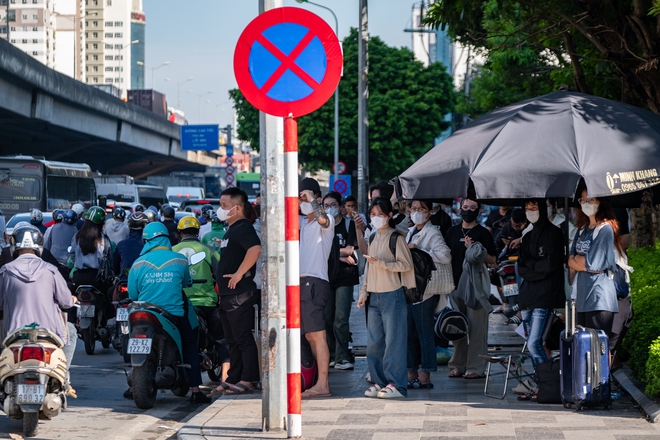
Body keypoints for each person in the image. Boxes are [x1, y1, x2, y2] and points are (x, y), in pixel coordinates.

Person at [128, 222, 211, 404]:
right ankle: (196, 391)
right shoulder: (179, 260)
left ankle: (132, 383)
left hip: (143, 311)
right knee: (190, 345)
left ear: (147, 240)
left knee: (128, 339)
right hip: (173, 314)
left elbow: (133, 294)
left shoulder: (138, 263)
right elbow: (186, 283)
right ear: (166, 238)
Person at [0, 225, 77, 372]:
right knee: (72, 331)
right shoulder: (51, 270)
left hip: (13, 335)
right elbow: (66, 302)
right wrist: (72, 299)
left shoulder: (6, 271)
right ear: (39, 247)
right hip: (48, 334)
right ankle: (62, 374)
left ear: (14, 247)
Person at [357, 197, 413, 398]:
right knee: (374, 343)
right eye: (373, 214)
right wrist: (363, 293)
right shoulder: (371, 238)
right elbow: (368, 268)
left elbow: (406, 265)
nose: (376, 218)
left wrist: (383, 264)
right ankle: (379, 381)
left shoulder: (396, 238)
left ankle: (397, 384)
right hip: (374, 296)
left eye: (381, 214)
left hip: (393, 294)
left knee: (394, 342)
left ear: (390, 215)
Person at [213, 187, 261, 395]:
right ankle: (234, 377)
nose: (220, 210)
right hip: (227, 295)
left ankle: (248, 379)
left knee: (242, 338)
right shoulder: (231, 230)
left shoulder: (243, 227)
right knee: (231, 339)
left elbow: (255, 249)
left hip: (239, 294)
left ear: (237, 208)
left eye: (224, 206)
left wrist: (239, 273)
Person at [444, 197, 497, 379]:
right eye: (465, 207)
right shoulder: (451, 231)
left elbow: (493, 260)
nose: (468, 210)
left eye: (472, 207)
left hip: (476, 287)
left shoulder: (483, 233)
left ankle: (475, 367)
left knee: (477, 329)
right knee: (457, 327)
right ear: (460, 209)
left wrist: (475, 249)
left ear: (479, 211)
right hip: (454, 285)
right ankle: (457, 364)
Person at [173, 216, 229, 383]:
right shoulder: (208, 250)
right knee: (221, 339)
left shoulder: (172, 250)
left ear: (180, 233)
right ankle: (226, 378)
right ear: (197, 232)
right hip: (207, 303)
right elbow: (220, 273)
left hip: (183, 305)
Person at [406, 199, 452, 389]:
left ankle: (425, 374)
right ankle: (411, 371)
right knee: (409, 332)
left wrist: (422, 251)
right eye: (414, 209)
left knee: (425, 333)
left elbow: (445, 255)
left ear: (430, 211)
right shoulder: (411, 231)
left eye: (421, 209)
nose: (417, 212)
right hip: (411, 287)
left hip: (426, 290)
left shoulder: (433, 232)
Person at [517, 199, 564, 374]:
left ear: (542, 209)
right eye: (527, 208)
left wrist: (532, 265)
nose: (530, 211)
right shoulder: (527, 236)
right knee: (532, 344)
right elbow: (521, 268)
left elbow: (550, 264)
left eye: (534, 207)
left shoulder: (555, 234)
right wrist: (538, 268)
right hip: (527, 297)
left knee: (534, 343)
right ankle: (542, 384)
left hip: (545, 296)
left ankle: (548, 382)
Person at [298, 177, 335, 398]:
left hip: (315, 282)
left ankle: (323, 384)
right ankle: (318, 382)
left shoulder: (326, 219)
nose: (302, 201)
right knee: (310, 335)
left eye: (306, 196)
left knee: (317, 335)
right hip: (302, 283)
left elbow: (322, 219)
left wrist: (311, 199)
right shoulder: (303, 223)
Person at [568, 189, 619, 337]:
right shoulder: (581, 229)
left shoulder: (605, 229)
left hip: (599, 298)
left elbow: (592, 264)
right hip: (583, 297)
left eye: (590, 199)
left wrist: (579, 262)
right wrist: (579, 262)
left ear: (601, 202)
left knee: (598, 348)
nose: (586, 203)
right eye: (583, 200)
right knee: (584, 348)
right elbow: (570, 260)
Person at [322, 191, 359, 371]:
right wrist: (339, 255)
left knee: (341, 318)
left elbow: (350, 249)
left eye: (334, 205)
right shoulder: (321, 227)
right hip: (326, 276)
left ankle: (343, 357)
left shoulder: (348, 224)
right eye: (326, 206)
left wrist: (333, 254)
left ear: (340, 206)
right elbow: (320, 250)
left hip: (345, 277)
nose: (330, 209)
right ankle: (331, 353)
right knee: (327, 317)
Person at [68, 206, 116, 315]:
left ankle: (69, 325)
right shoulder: (104, 239)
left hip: (79, 278)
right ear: (101, 224)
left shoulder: (77, 237)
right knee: (109, 299)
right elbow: (109, 262)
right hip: (98, 280)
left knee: (69, 300)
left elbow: (71, 257)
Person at [113, 212, 149, 280]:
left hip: (125, 280)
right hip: (144, 281)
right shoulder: (149, 245)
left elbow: (115, 267)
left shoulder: (121, 244)